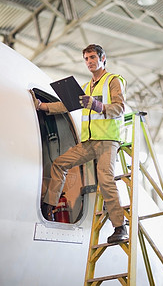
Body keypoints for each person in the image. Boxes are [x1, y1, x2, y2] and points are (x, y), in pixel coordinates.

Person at [30, 44, 128, 243]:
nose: (89, 62)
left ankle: (120, 227)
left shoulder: (113, 81)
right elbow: (65, 106)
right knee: (59, 163)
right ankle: (48, 207)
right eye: (86, 59)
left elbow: (119, 108)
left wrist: (97, 105)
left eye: (92, 57)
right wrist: (42, 106)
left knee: (105, 179)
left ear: (103, 59)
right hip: (90, 142)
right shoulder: (85, 87)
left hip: (108, 140)